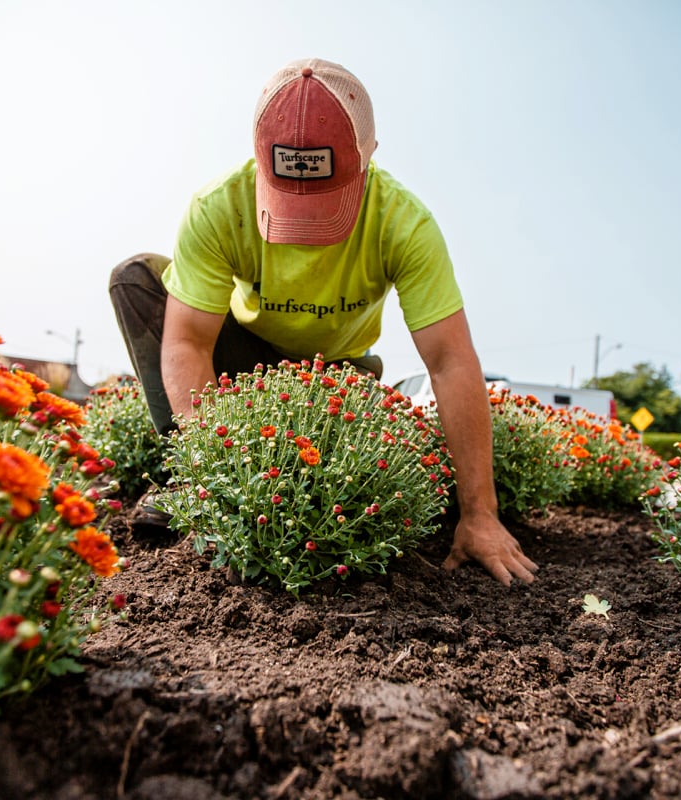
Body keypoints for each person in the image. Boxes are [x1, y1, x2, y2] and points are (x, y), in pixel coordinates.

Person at [108, 58, 535, 586]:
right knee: (135, 279)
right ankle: (185, 479)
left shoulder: (405, 222)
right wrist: (211, 479)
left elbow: (450, 361)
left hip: (337, 378)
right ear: (261, 159)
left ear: (370, 154)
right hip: (242, 369)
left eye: (326, 203)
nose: (307, 231)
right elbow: (189, 341)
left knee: (380, 475)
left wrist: (480, 515)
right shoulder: (218, 207)